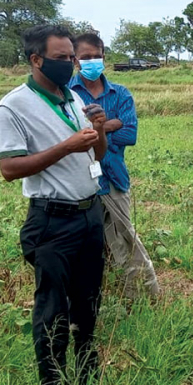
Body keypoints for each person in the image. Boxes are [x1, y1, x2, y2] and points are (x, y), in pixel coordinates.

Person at [0, 25, 108, 384]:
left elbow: (96, 154)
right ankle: (52, 377)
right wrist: (67, 146)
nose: (70, 64)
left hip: (90, 213)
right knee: (53, 308)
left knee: (88, 301)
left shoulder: (72, 98)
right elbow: (10, 169)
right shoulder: (14, 105)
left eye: (71, 57)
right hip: (52, 221)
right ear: (36, 59)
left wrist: (100, 130)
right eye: (61, 58)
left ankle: (86, 370)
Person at [68, 32, 160, 299]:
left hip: (113, 177)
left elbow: (129, 134)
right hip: (78, 180)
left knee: (125, 238)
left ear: (104, 57)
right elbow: (67, 136)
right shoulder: (67, 93)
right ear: (76, 61)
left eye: (97, 56)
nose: (92, 61)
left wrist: (93, 130)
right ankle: (99, 292)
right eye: (86, 57)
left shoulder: (120, 93)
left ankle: (143, 293)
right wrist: (110, 124)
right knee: (88, 242)